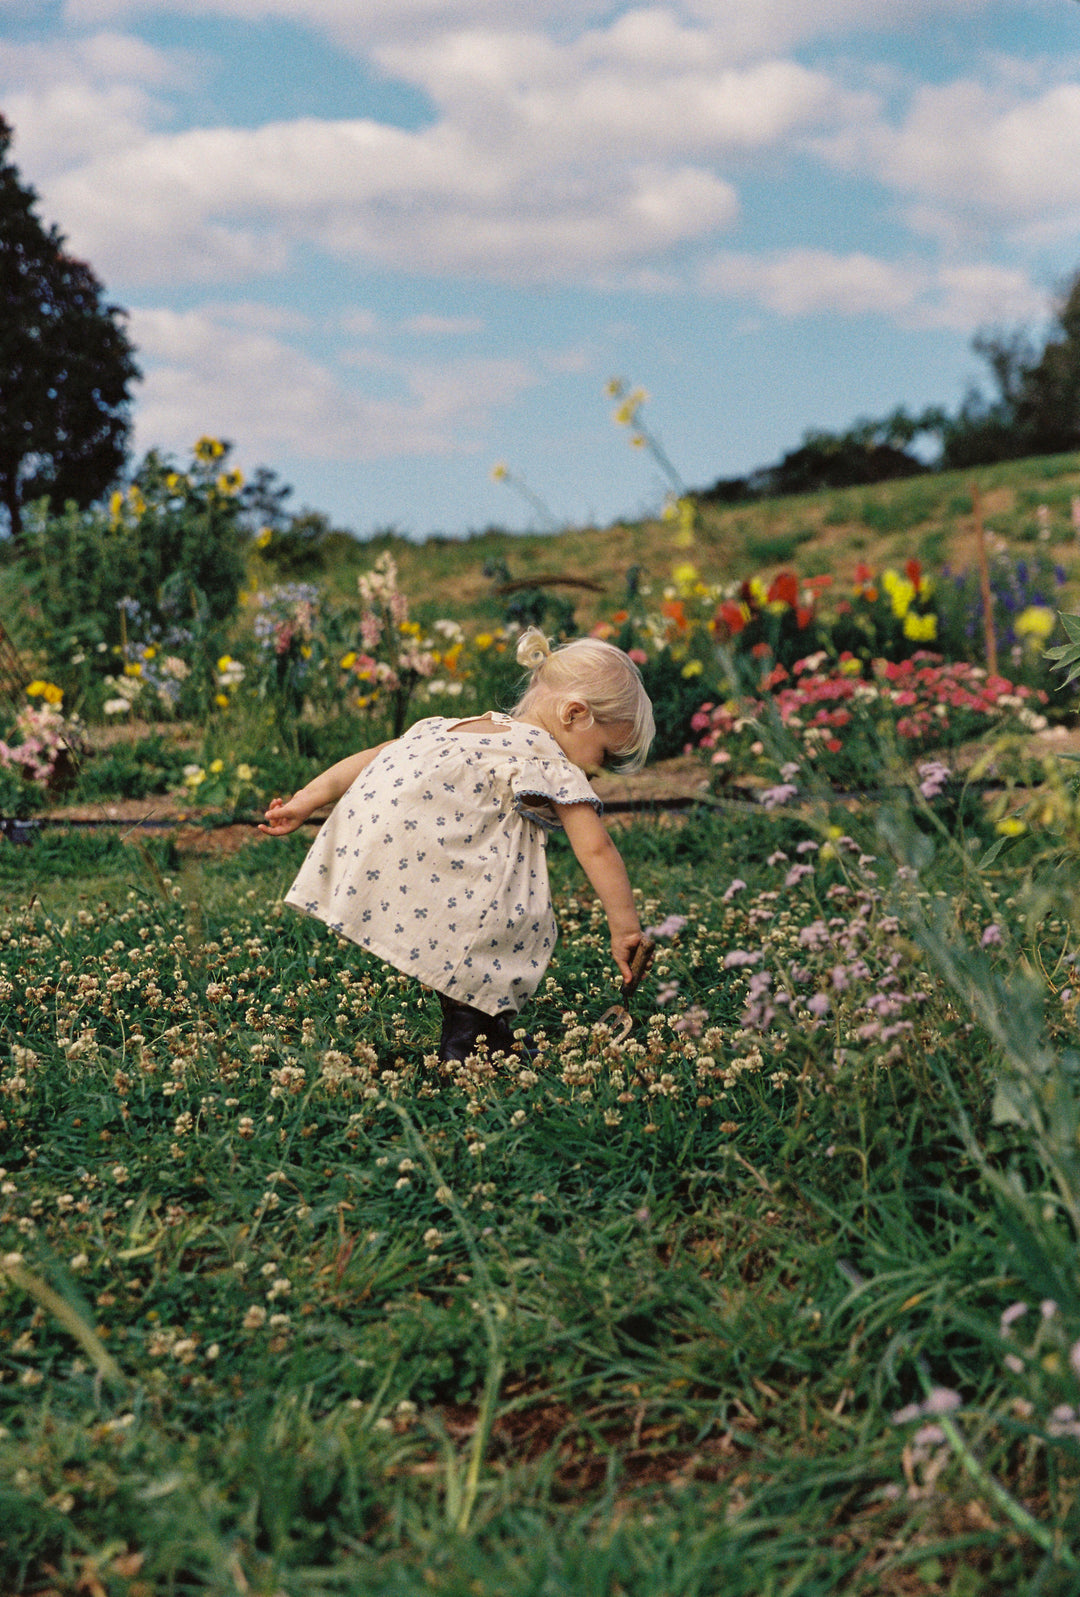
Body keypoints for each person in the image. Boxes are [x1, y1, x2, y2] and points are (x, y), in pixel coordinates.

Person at [259, 626, 656, 1062]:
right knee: (510, 921)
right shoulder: (545, 758)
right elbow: (596, 848)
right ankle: (472, 1046)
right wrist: (626, 928)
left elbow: (379, 753)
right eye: (602, 754)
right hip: (444, 858)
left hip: (393, 847)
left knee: (473, 929)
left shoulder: (460, 727)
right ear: (575, 715)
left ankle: (478, 1033)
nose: (597, 771)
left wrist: (306, 800)